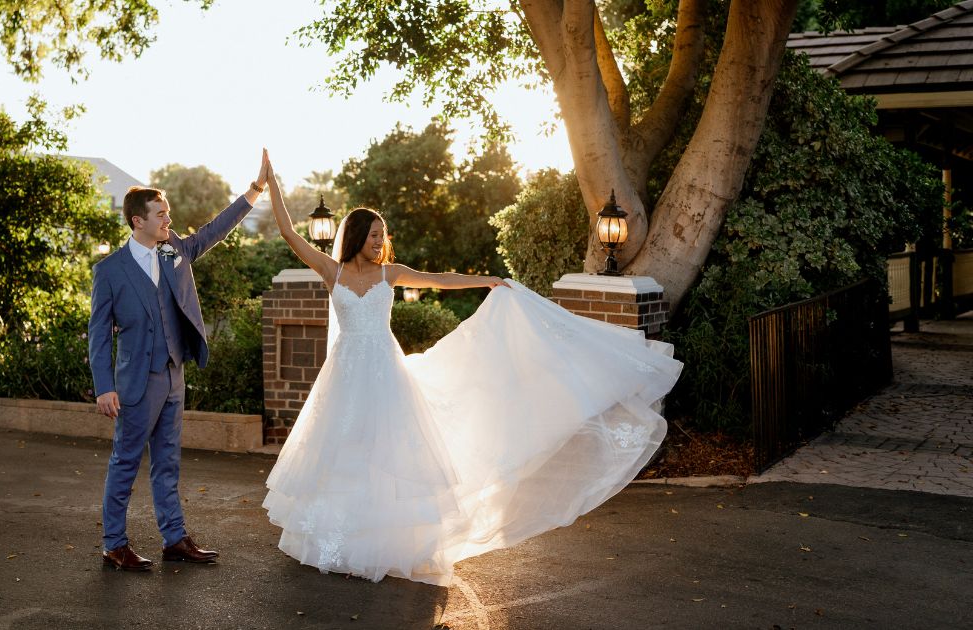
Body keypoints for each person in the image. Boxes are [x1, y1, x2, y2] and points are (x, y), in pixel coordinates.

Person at [259, 150, 683, 585]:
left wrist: (485, 281)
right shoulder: (333, 272)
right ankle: (337, 540)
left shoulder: (391, 274)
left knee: (388, 455)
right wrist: (271, 184)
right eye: (372, 235)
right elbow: (289, 232)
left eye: (381, 235)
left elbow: (440, 279)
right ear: (355, 239)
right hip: (345, 376)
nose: (378, 241)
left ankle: (384, 544)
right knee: (343, 453)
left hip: (386, 372)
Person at [88, 152, 270, 571]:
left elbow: (215, 229)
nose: (168, 220)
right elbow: (99, 334)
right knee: (126, 463)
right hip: (134, 383)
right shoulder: (109, 271)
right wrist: (104, 386)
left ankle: (174, 538)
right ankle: (114, 544)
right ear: (138, 220)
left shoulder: (174, 252)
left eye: (167, 213)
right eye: (161, 214)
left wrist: (255, 190)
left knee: (168, 462)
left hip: (174, 376)